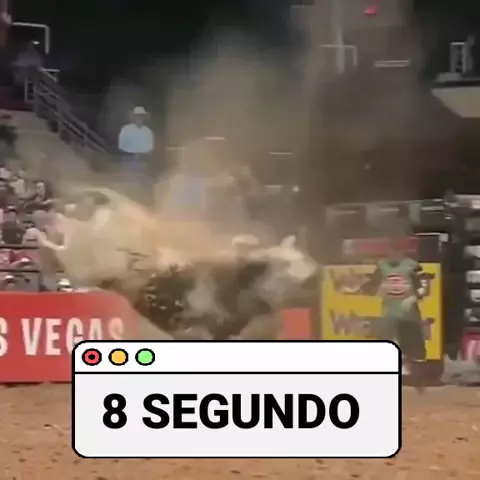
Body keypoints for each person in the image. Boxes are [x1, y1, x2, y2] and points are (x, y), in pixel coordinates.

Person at [343, 236, 427, 391]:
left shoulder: (412, 266)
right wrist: (357, 289)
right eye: (391, 251)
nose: (394, 254)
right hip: (389, 312)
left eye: (397, 251)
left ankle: (419, 381)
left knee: (415, 346)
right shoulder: (382, 266)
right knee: (385, 344)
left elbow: (423, 287)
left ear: (402, 251)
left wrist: (413, 298)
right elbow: (372, 283)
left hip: (409, 313)